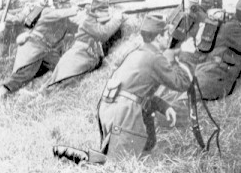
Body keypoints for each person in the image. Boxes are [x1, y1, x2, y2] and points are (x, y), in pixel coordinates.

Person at [53, 14, 196, 164]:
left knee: (139, 153)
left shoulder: (137, 53)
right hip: (124, 115)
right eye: (166, 34)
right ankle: (72, 156)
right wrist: (187, 55)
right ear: (158, 38)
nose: (169, 38)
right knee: (115, 165)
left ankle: (71, 155)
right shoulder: (155, 58)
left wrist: (163, 106)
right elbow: (181, 83)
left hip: (110, 110)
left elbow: (136, 93)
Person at [156, 0, 241, 126]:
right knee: (171, 109)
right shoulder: (232, 28)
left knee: (170, 100)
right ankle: (151, 118)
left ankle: (147, 114)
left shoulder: (226, 24)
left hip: (204, 72)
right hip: (213, 78)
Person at [26, 0, 124, 102]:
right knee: (62, 71)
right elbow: (103, 33)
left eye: (107, 11)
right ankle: (40, 93)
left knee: (66, 75)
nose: (106, 13)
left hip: (84, 53)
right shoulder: (88, 20)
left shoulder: (92, 18)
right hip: (80, 52)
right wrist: (117, 19)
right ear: (96, 11)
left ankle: (41, 96)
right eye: (103, 11)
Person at [0, 0, 80, 100]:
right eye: (67, 3)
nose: (69, 4)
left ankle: (47, 93)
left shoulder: (64, 20)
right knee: (23, 75)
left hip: (47, 51)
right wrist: (74, 10)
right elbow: (60, 13)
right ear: (58, 4)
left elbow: (77, 28)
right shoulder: (48, 12)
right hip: (34, 46)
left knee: (62, 68)